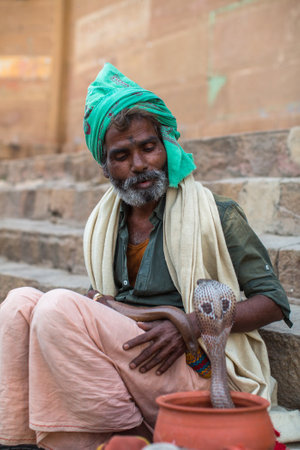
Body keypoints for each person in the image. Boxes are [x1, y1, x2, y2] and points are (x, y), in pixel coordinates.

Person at [0, 63, 292, 450]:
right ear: (106, 167)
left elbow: (273, 302)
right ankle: (17, 439)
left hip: (192, 366)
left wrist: (188, 324)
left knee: (55, 307)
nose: (139, 165)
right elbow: (98, 306)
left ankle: (127, 437)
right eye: (122, 155)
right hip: (129, 361)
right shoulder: (104, 224)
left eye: (148, 148)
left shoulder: (217, 213)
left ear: (166, 146)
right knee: (19, 303)